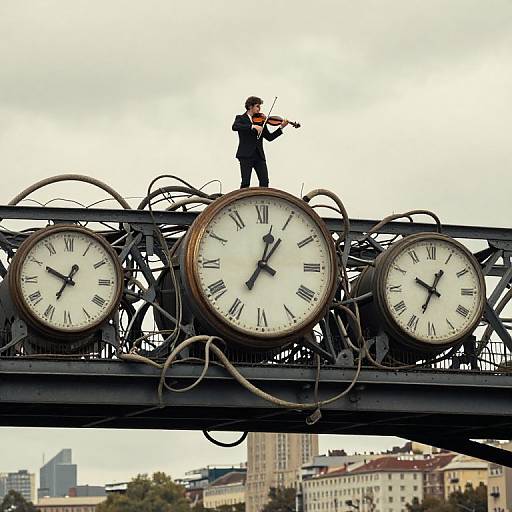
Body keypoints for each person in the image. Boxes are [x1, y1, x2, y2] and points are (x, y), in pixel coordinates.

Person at [232, 96, 288, 188]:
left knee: (265, 181)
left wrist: (281, 127)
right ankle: (243, 200)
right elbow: (235, 127)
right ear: (250, 106)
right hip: (245, 155)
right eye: (257, 106)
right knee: (245, 182)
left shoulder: (262, 121)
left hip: (259, 155)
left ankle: (262, 200)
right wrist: (252, 126)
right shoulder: (240, 118)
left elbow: (269, 137)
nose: (259, 109)